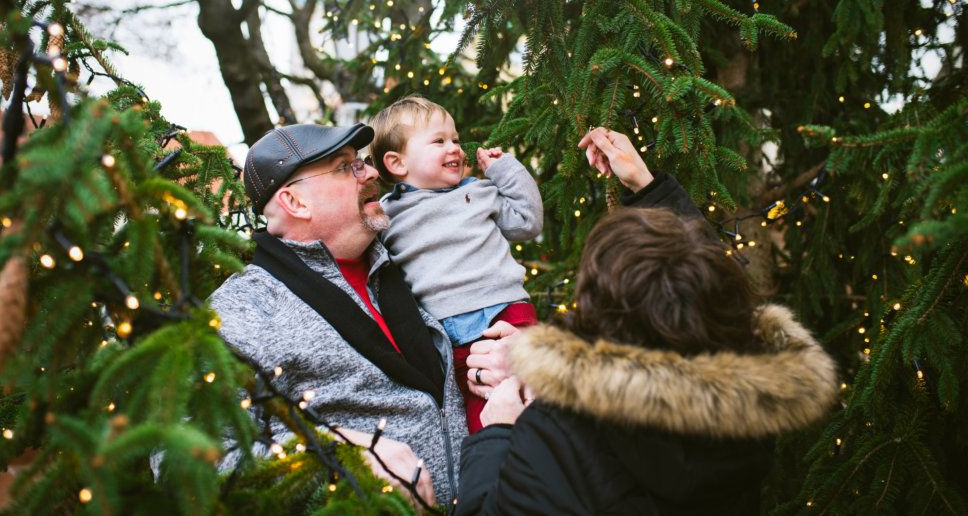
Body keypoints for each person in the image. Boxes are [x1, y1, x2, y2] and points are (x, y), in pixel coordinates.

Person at [455, 127, 839, 515]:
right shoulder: (752, 393)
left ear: (603, 318)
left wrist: (500, 432)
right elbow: (698, 284)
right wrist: (646, 184)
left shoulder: (557, 434)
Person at [208, 123, 467, 507]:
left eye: (361, 162)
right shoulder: (244, 308)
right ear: (295, 203)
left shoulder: (410, 257)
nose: (373, 172)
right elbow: (193, 460)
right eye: (347, 167)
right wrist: (338, 458)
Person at [368, 96, 544, 433]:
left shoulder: (478, 192)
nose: (455, 149)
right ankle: (494, 473)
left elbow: (526, 222)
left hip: (505, 313)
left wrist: (505, 171)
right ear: (397, 163)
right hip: (444, 335)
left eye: (455, 140)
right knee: (475, 416)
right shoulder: (387, 215)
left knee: (528, 396)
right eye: (439, 141)